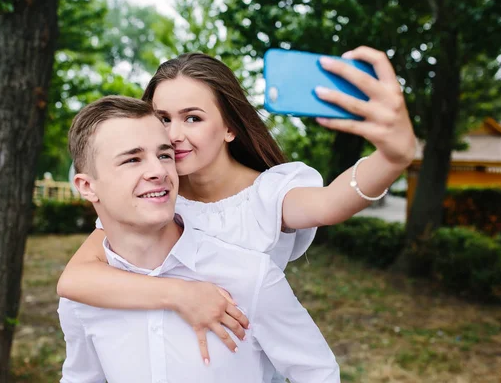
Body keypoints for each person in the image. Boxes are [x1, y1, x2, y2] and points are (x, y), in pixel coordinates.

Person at [57, 46, 415, 369]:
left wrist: (392, 158)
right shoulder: (152, 200)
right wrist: (181, 295)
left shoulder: (266, 194)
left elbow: (330, 203)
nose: (173, 134)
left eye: (192, 118)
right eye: (163, 118)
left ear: (229, 127)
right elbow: (76, 279)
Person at [59, 95, 340, 382]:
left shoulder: (248, 278)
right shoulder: (82, 299)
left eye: (165, 155)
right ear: (86, 187)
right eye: (132, 159)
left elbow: (318, 374)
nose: (159, 171)